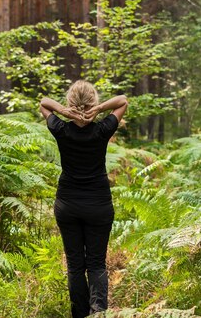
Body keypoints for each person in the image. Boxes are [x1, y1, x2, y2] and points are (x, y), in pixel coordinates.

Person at [39, 81, 128, 318]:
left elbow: (44, 103)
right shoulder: (102, 130)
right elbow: (122, 101)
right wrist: (98, 110)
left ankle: (80, 315)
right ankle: (98, 314)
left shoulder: (61, 128)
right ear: (93, 103)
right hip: (98, 205)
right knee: (97, 264)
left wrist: (63, 111)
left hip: (67, 205)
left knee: (75, 266)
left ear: (70, 103)